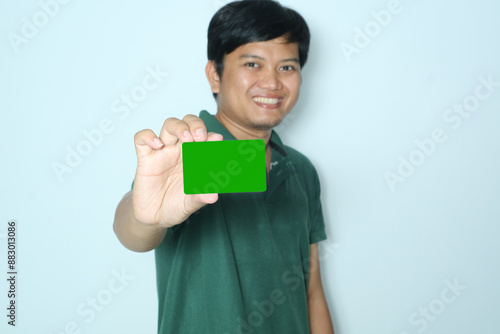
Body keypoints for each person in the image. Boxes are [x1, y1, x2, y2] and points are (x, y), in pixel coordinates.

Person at [113, 0, 335, 333]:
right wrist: (145, 217)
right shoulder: (191, 151)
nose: (273, 82)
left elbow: (312, 291)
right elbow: (133, 234)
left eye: (287, 67)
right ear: (215, 75)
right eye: (252, 63)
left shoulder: (301, 170)